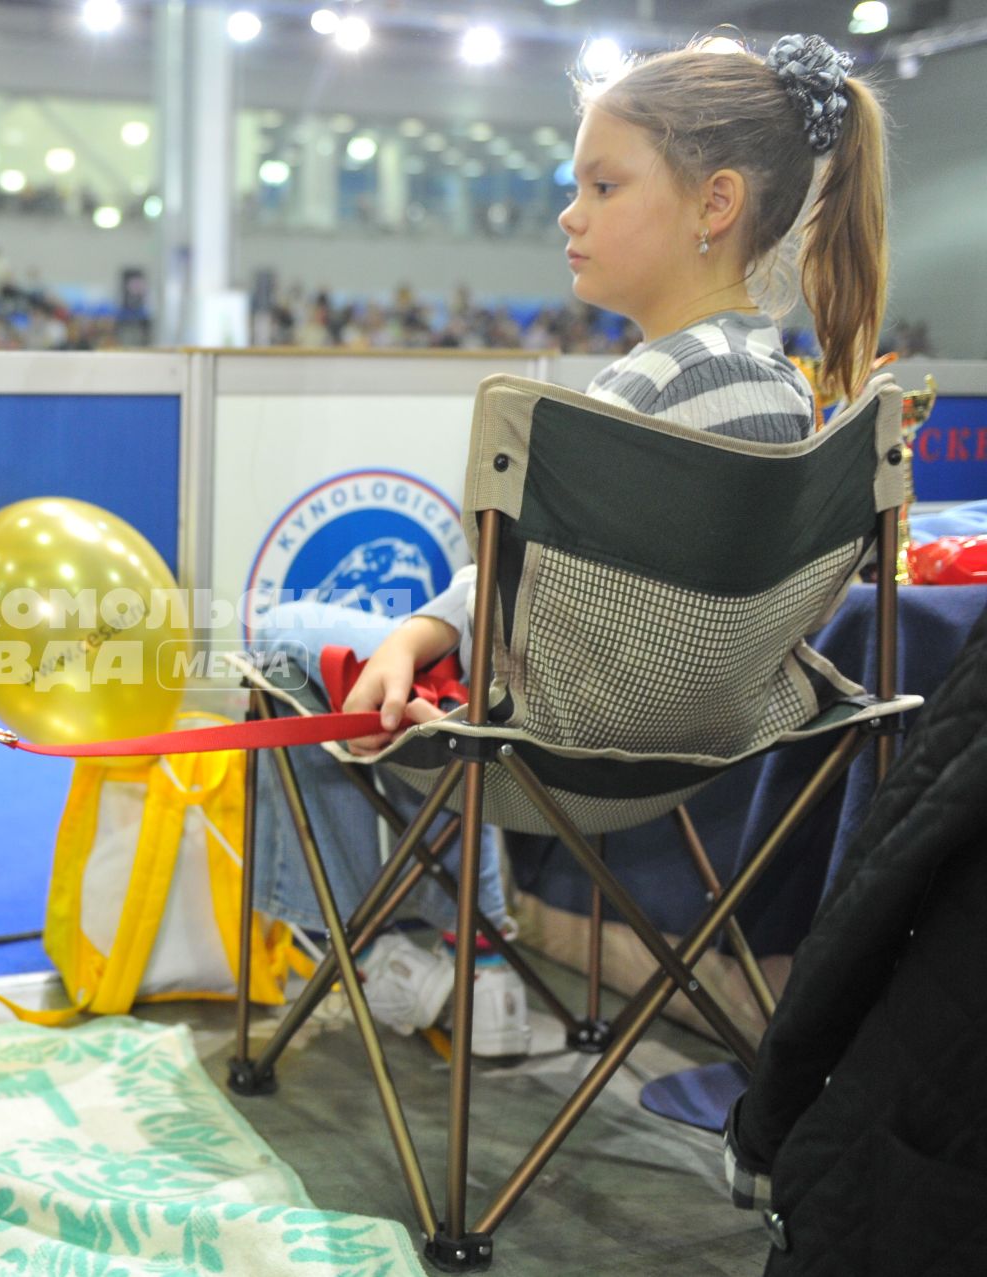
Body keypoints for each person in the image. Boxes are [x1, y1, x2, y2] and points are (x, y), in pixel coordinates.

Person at [255, 32, 887, 1052]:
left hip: (538, 753)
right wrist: (427, 628)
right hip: (697, 750)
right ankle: (480, 953)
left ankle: (384, 950)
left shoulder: (632, 398)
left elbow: (515, 607)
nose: (570, 212)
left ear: (714, 205)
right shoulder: (783, 397)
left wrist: (424, 634)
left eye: (603, 184)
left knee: (285, 635)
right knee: (428, 653)